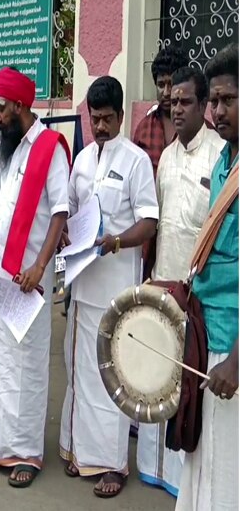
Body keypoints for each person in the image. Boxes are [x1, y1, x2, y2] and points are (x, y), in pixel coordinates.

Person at [60, 76, 158, 498]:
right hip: (84, 285)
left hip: (117, 288)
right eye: (93, 118)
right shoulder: (81, 160)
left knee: (113, 376)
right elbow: (71, 212)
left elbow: (149, 221)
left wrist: (115, 241)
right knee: (81, 371)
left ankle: (113, 464)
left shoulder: (136, 161)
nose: (99, 126)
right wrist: (69, 235)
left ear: (120, 116)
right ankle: (80, 452)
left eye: (106, 119)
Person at [0, 68, 70, 487]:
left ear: (19, 106)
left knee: (27, 366)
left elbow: (60, 212)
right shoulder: (10, 149)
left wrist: (38, 265)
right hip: (2, 276)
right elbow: (11, 205)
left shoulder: (51, 148)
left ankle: (26, 453)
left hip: (29, 281)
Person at [137, 66, 225, 498]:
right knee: (159, 379)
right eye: (172, 103)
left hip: (200, 297)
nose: (176, 110)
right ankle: (156, 471)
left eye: (185, 103)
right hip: (164, 284)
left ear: (205, 106)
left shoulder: (220, 156)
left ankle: (184, 483)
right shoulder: (167, 157)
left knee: (190, 389)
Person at [176, 43, 239, 511]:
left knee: (228, 471)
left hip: (233, 350)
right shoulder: (224, 164)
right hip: (207, 336)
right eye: (213, 101)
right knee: (203, 468)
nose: (217, 111)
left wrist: (235, 362)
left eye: (226, 100)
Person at [133, 46, 190, 176]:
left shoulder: (196, 128)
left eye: (171, 84)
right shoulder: (144, 128)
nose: (166, 92)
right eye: (161, 85)